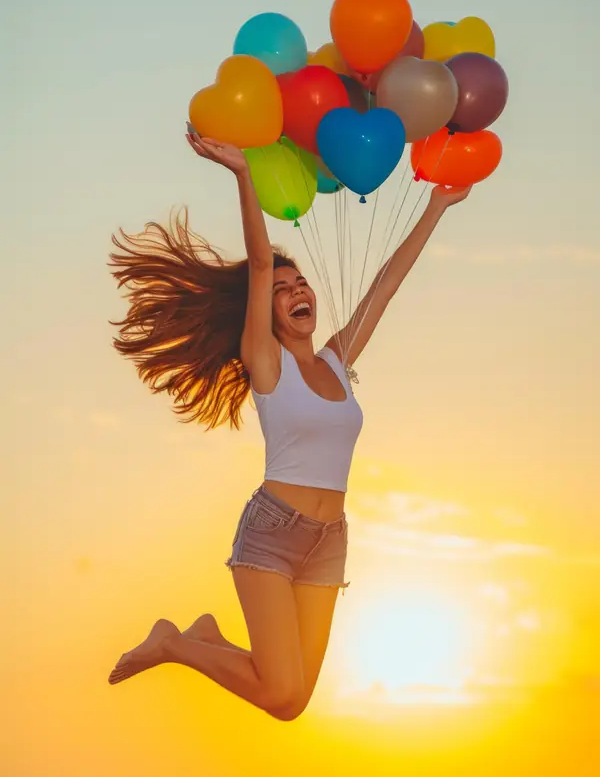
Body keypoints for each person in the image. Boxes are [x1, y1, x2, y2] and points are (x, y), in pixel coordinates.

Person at [107, 129, 471, 720]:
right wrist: (245, 176)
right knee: (278, 692)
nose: (296, 290)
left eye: (300, 282)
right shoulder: (267, 364)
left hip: (330, 542)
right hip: (273, 535)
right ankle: (173, 641)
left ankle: (205, 635)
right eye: (282, 291)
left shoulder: (334, 360)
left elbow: (386, 284)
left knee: (292, 702)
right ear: (267, 313)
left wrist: (435, 206)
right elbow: (256, 264)